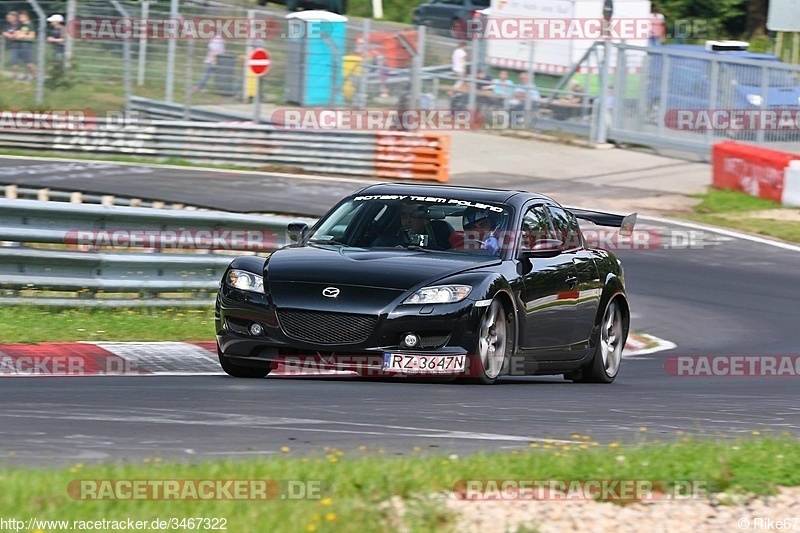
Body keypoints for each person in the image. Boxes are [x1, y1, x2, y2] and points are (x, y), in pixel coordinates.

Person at [372, 203, 436, 248]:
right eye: (404, 216)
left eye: (413, 216)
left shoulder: (435, 252)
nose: (408, 220)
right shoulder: (384, 244)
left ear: (426, 220)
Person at [15, 11, 37, 82]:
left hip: (27, 46)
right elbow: (17, 33)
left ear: (26, 17)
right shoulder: (20, 25)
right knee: (25, 63)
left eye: (22, 17)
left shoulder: (30, 25)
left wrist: (23, 36)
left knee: (29, 63)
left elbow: (32, 36)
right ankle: (26, 76)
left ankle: (36, 76)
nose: (20, 18)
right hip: (21, 45)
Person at [2, 12, 21, 80]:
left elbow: (18, 34)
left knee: (27, 62)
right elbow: (4, 33)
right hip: (13, 45)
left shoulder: (19, 25)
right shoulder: (8, 26)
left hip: (22, 45)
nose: (8, 19)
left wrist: (11, 35)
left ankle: (32, 75)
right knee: (14, 61)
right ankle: (15, 75)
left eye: (10, 17)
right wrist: (11, 36)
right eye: (7, 18)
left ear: (15, 17)